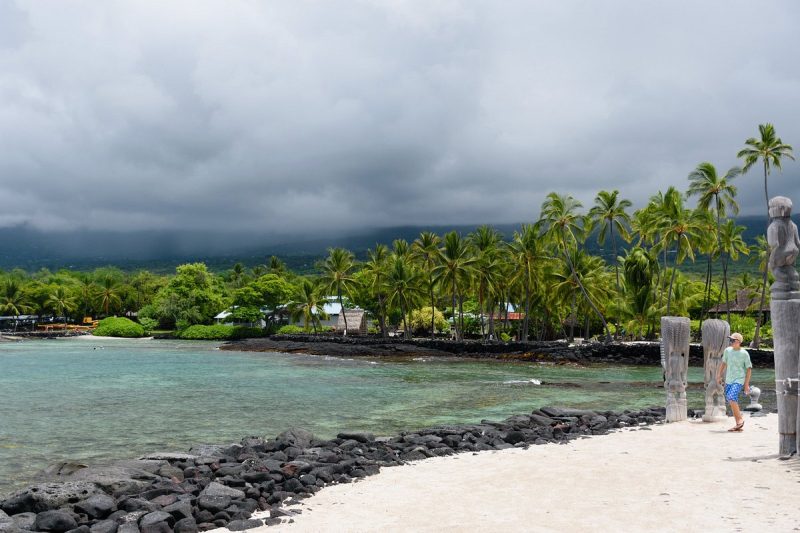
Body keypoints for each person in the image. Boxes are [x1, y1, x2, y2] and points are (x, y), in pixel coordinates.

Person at [717, 332, 752, 432]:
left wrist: (746, 384)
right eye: (730, 340)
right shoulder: (727, 351)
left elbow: (749, 369)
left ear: (738, 342)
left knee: (731, 397)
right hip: (729, 379)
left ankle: (740, 420)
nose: (731, 342)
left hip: (739, 379)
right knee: (730, 399)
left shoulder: (744, 353)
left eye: (732, 340)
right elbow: (723, 363)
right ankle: (738, 424)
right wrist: (719, 375)